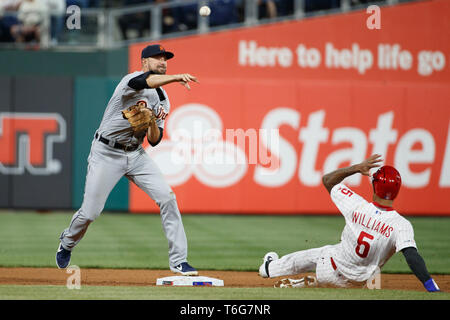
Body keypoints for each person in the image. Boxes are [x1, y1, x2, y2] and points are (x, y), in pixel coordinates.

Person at [56, 44, 199, 276]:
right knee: (90, 213)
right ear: (144, 62)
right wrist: (175, 78)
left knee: (168, 198)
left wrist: (152, 122)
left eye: (165, 59)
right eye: (157, 58)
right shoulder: (131, 80)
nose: (162, 62)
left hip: (136, 155)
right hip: (106, 153)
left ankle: (179, 261)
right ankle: (67, 243)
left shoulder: (163, 100)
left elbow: (154, 140)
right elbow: (145, 82)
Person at [259, 154, 440, 292]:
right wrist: (430, 285)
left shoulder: (356, 205)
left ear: (375, 186)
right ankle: (308, 282)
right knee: (330, 265)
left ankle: (268, 268)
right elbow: (412, 257)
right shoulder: (401, 225)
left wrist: (356, 168)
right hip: (358, 284)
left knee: (312, 255)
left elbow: (327, 180)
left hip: (329, 265)